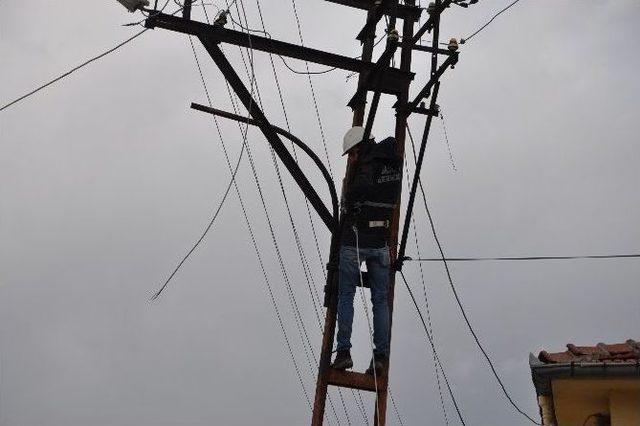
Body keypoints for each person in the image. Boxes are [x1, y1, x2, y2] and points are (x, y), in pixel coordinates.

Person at [331, 127, 403, 375]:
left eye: (352, 154)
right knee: (381, 301)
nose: (351, 159)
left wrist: (349, 199)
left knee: (345, 295)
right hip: (381, 243)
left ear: (360, 148)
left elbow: (357, 193)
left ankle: (343, 353)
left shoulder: (366, 165)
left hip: (355, 240)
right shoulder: (393, 162)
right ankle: (381, 358)